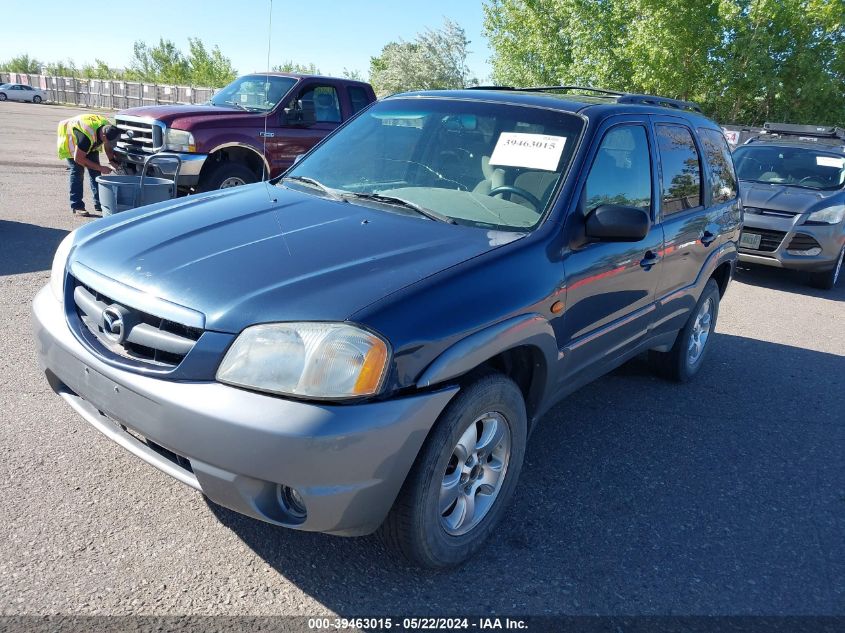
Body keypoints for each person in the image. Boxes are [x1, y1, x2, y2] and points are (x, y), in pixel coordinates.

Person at [57, 114, 121, 216]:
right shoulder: (86, 137)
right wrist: (101, 167)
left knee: (96, 173)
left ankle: (100, 204)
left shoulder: (108, 128)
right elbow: (78, 158)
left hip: (92, 139)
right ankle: (77, 206)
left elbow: (107, 145)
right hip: (72, 141)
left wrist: (112, 160)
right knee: (77, 172)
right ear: (103, 136)